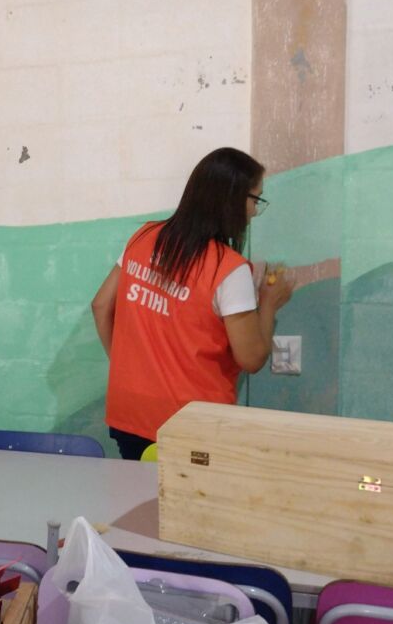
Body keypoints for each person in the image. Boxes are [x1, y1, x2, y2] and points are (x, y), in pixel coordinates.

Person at [90, 147, 294, 460]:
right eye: (256, 200)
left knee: (138, 491)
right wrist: (268, 305)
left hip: (129, 412)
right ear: (231, 199)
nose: (254, 211)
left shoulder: (144, 236)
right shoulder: (228, 268)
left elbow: (101, 306)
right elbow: (251, 358)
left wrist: (127, 369)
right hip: (191, 424)